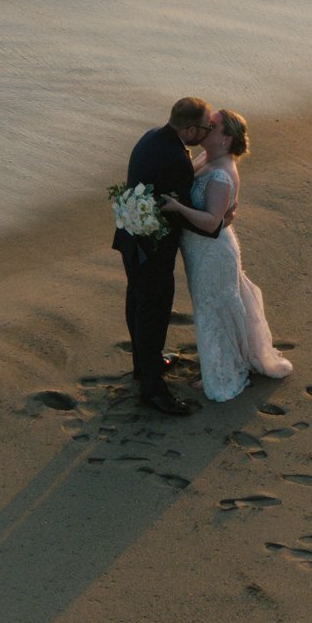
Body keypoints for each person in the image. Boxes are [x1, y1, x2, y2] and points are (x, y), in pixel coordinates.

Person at [159, 108, 293, 403]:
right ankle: (235, 356)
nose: (205, 127)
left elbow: (211, 222)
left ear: (226, 138)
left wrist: (177, 208)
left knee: (213, 310)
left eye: (212, 125)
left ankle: (221, 373)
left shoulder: (221, 173)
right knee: (216, 305)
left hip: (212, 253)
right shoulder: (206, 158)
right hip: (199, 250)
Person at [116, 96, 217, 415]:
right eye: (205, 128)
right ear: (190, 129)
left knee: (137, 300)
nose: (207, 132)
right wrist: (217, 224)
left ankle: (144, 365)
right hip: (152, 249)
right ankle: (153, 389)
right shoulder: (175, 158)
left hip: (129, 237)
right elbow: (179, 210)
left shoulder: (150, 137)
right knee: (154, 312)